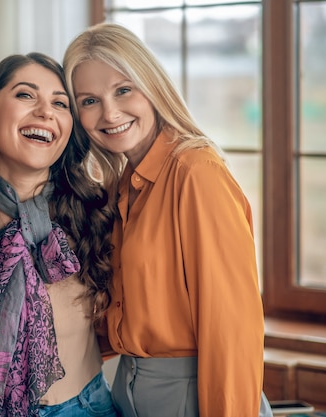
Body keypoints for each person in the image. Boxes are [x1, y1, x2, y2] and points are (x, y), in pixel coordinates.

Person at [63, 23, 273, 417]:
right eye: (89, 101)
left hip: (194, 395)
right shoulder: (125, 185)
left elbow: (232, 329)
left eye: (124, 90)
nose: (110, 113)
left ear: (152, 86)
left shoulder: (196, 171)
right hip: (127, 388)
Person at [0, 53, 117, 417]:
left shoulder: (96, 208)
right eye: (26, 95)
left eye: (60, 103)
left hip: (84, 407)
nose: (46, 112)